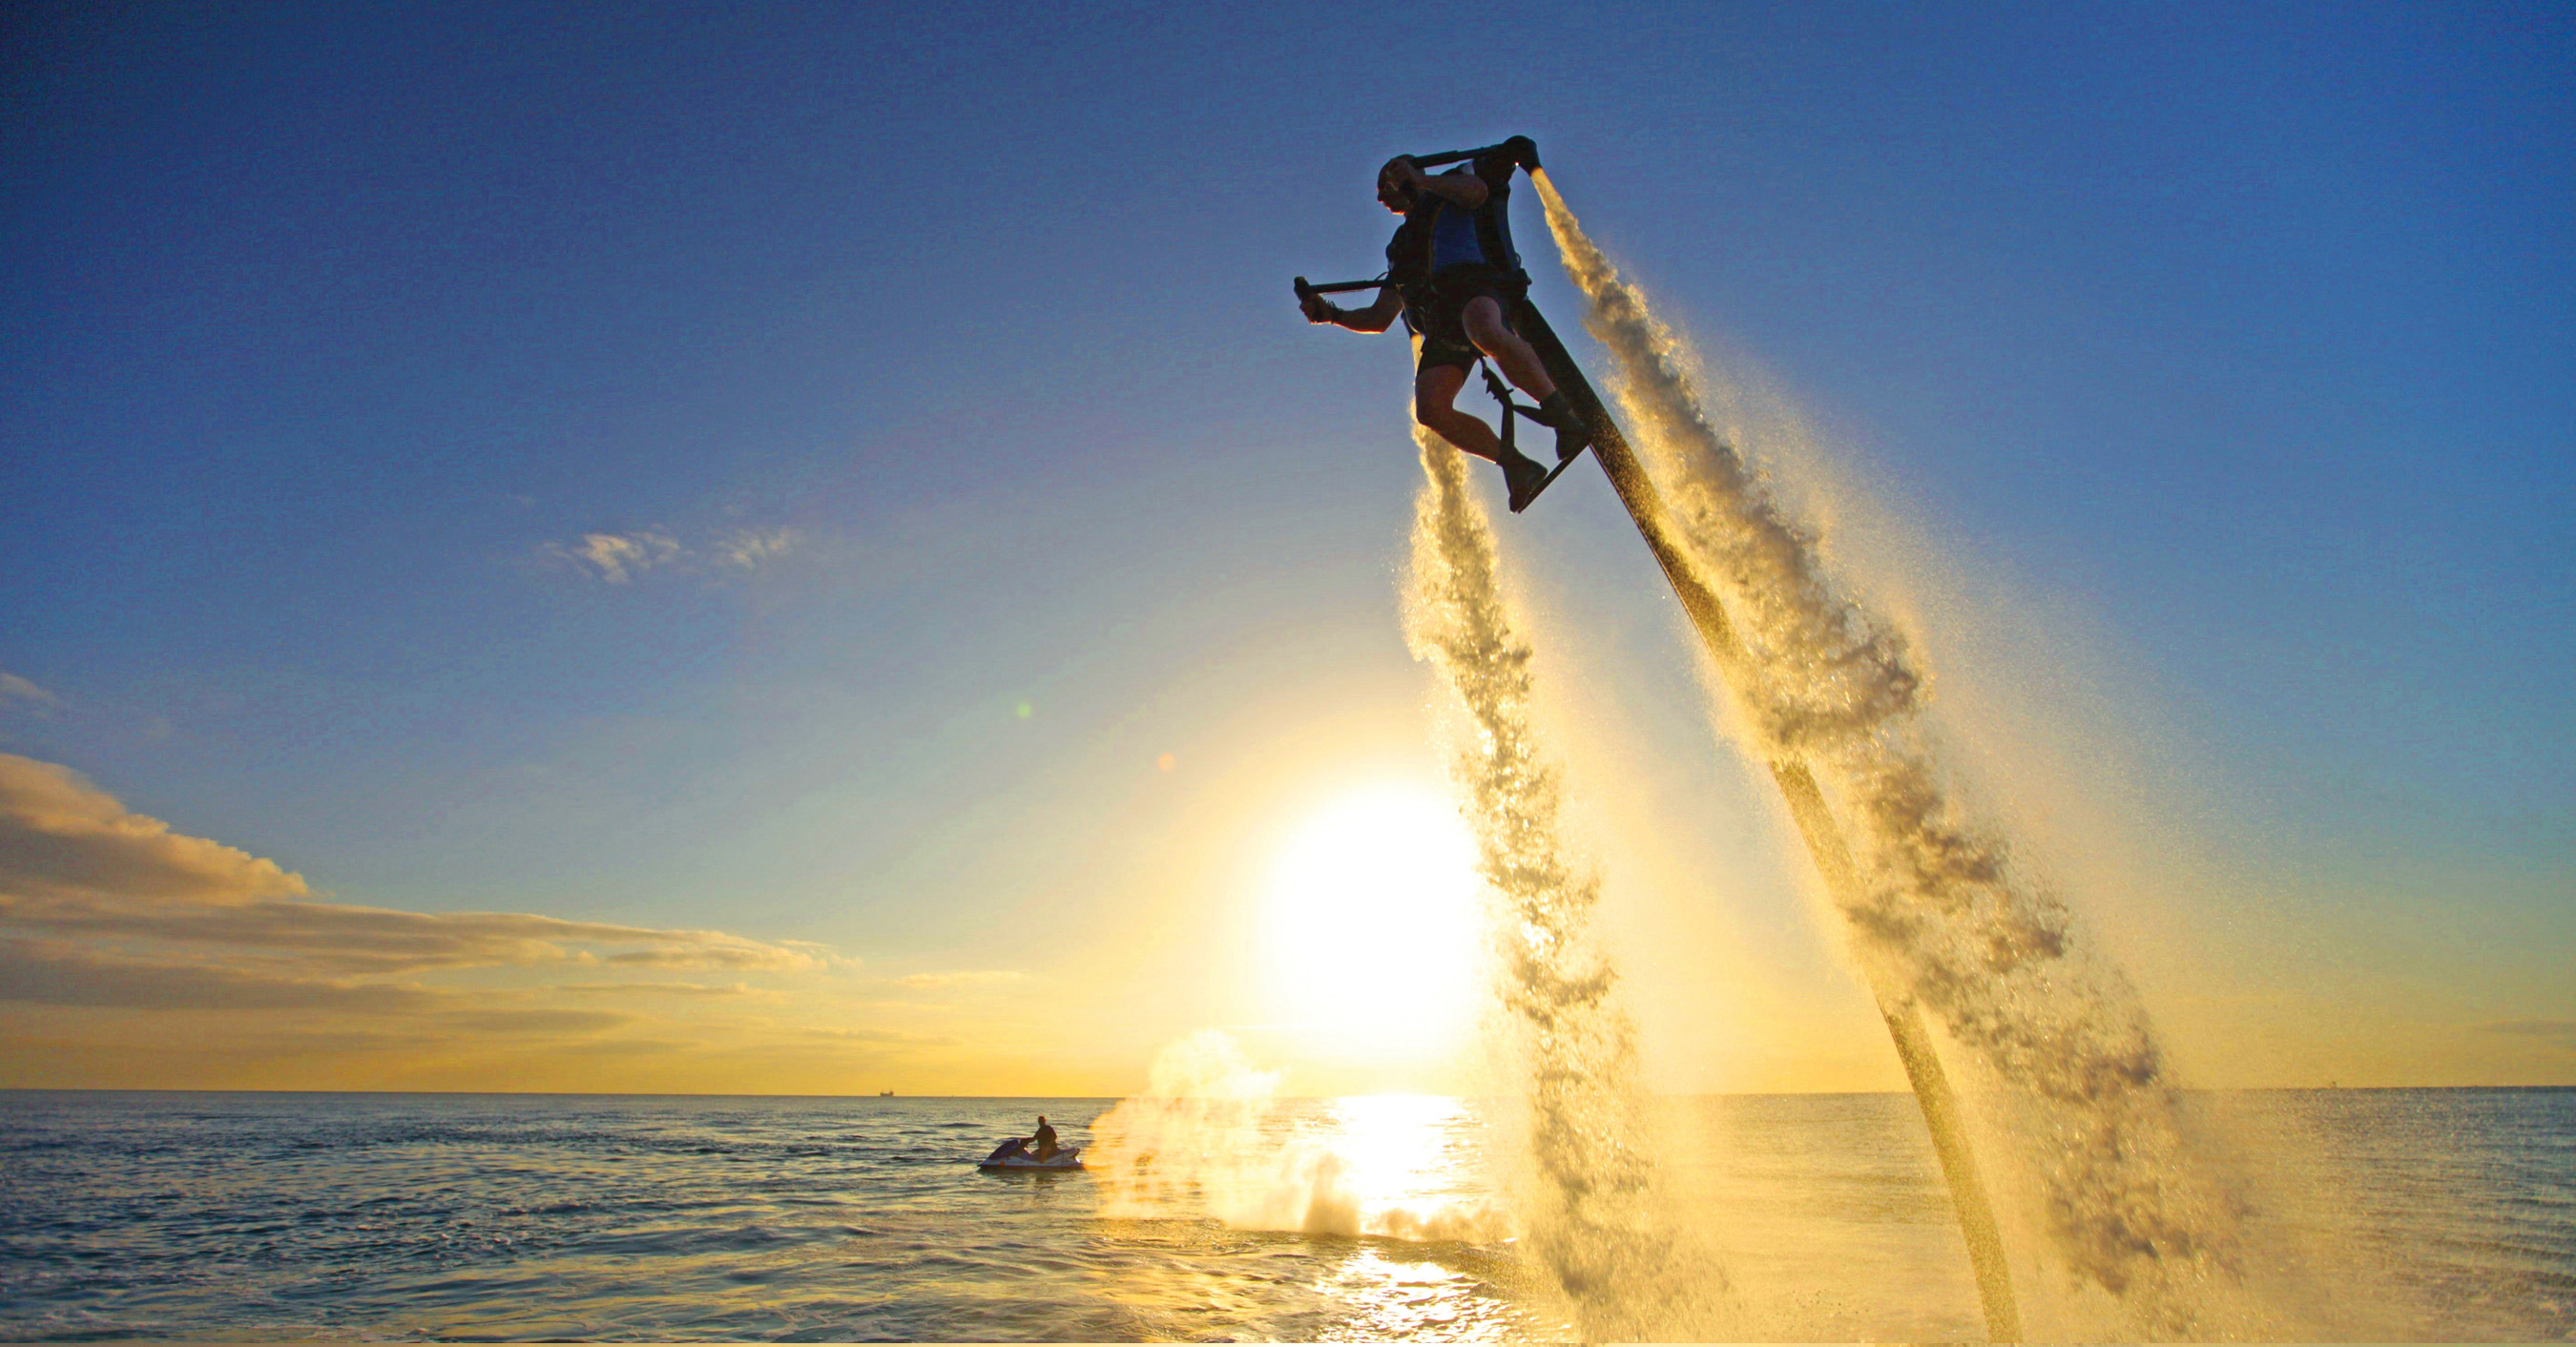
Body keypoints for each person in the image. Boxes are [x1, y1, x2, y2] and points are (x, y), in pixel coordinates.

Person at [1300, 151, 1591, 510]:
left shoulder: (1449, 185)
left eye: (1385, 182)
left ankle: (1563, 416)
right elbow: (1379, 317)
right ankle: (1517, 464)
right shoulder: (1399, 247)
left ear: (1406, 172)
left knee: (1484, 329)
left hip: (1474, 285)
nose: (1379, 196)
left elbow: (1478, 193)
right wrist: (1331, 314)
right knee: (1431, 409)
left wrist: (1421, 181)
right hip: (1441, 320)